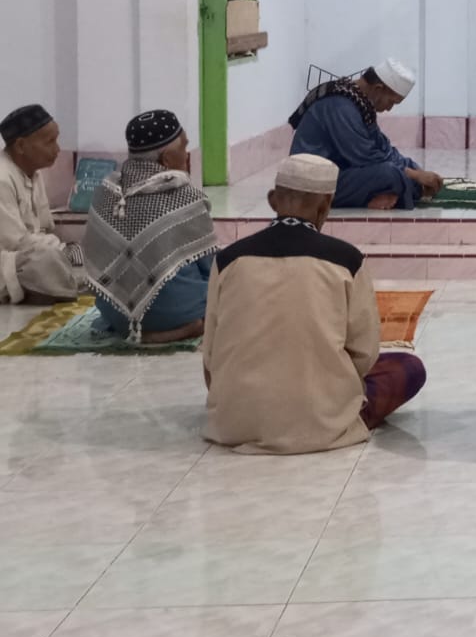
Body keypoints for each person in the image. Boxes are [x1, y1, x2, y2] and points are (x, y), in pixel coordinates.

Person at [203, 154, 426, 454]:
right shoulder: (346, 261)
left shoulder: (228, 259)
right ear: (325, 207)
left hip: (235, 422)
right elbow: (364, 353)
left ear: (272, 200)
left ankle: (252, 411)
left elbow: (211, 354)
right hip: (321, 422)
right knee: (406, 367)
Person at [81, 111, 216, 344]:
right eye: (184, 147)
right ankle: (179, 329)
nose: (187, 154)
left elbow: (94, 261)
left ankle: (137, 330)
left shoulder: (104, 192)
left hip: (117, 312)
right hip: (180, 313)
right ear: (166, 159)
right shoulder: (186, 197)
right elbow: (209, 267)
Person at [287, 59, 443, 210]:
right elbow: (366, 158)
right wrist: (414, 176)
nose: (389, 109)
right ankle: (380, 194)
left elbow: (383, 148)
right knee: (390, 176)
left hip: (338, 171)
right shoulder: (339, 105)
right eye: (391, 102)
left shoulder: (358, 102)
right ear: (378, 89)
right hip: (310, 184)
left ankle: (383, 193)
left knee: (404, 174)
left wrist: (417, 170)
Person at [0, 104, 84, 304]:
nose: (58, 149)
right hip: (11, 262)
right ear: (21, 146)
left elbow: (44, 228)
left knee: (61, 255)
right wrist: (62, 251)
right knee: (46, 258)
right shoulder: (2, 178)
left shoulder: (33, 173)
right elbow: (16, 242)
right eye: (49, 142)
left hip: (30, 255)